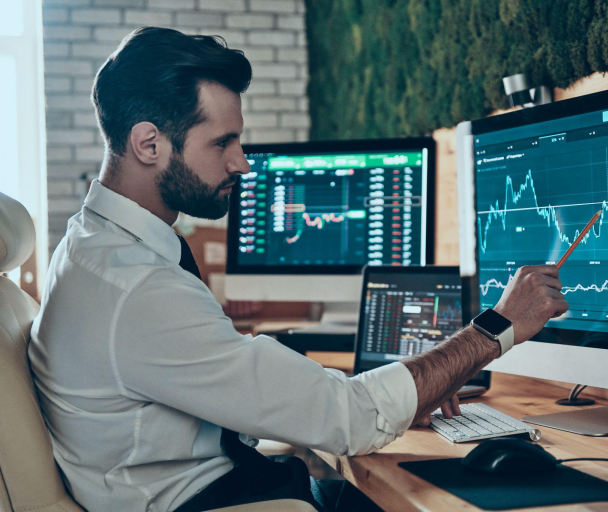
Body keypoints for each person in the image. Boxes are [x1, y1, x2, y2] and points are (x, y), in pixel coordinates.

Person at [29, 27, 568, 512]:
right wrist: (496, 327)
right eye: (223, 142)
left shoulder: (92, 245)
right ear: (149, 143)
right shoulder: (136, 287)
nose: (242, 162)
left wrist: (410, 390)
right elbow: (350, 419)